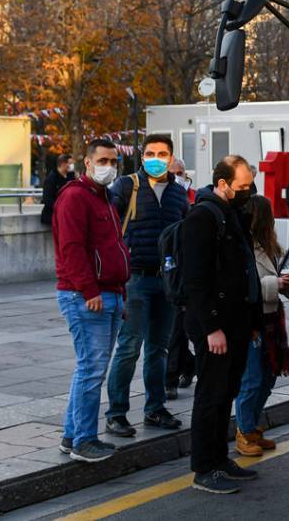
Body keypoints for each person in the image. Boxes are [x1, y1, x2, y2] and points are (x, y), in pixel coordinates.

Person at [182, 155, 262, 494]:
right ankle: (204, 467)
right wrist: (212, 327)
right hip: (214, 327)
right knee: (211, 395)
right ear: (222, 183)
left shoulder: (233, 214)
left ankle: (220, 458)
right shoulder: (202, 217)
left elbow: (245, 270)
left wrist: (253, 321)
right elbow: (195, 280)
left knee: (227, 391)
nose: (248, 192)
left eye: (249, 186)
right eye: (242, 186)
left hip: (238, 322)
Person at [104, 135, 189, 437]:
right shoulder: (126, 186)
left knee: (159, 348)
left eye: (162, 153)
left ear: (171, 157)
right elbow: (106, 224)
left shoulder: (179, 194)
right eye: (150, 153)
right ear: (141, 156)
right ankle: (116, 413)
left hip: (166, 280)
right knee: (129, 348)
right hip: (136, 280)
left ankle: (155, 408)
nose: (156, 157)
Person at [52, 139, 129, 463]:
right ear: (87, 162)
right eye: (102, 160)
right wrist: (90, 292)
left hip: (109, 293)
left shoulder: (105, 198)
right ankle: (84, 439)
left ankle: (72, 436)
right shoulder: (75, 197)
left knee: (91, 369)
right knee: (91, 370)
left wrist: (117, 293)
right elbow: (71, 250)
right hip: (86, 295)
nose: (108, 166)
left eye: (113, 161)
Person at [234, 195, 289, 457]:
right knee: (251, 379)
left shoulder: (271, 245)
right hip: (251, 320)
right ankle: (244, 430)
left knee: (269, 376)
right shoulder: (242, 247)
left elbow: (283, 285)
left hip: (272, 319)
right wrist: (276, 285)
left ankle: (252, 426)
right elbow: (241, 287)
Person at [165, 157, 197, 399]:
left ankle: (171, 378)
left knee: (178, 330)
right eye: (173, 172)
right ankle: (188, 365)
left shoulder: (193, 197)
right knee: (169, 332)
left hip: (183, 272)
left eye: (181, 172)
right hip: (164, 269)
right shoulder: (164, 198)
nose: (178, 176)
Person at [40, 154, 76, 226]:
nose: (72, 166)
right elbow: (47, 199)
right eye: (70, 163)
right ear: (63, 164)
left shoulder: (70, 177)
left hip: (66, 214)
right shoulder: (51, 179)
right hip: (53, 215)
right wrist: (61, 208)